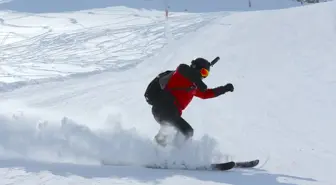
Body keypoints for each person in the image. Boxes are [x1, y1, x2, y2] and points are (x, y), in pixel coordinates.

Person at [144, 57, 234, 147]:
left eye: (206, 74)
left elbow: (206, 94)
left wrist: (224, 89)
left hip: (168, 113)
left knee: (169, 132)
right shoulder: (180, 73)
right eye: (203, 72)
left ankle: (154, 150)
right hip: (165, 108)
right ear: (195, 67)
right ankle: (177, 155)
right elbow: (184, 70)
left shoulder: (193, 87)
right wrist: (198, 82)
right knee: (187, 131)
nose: (203, 76)